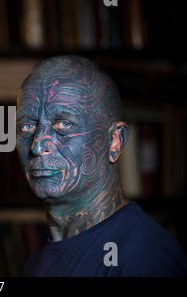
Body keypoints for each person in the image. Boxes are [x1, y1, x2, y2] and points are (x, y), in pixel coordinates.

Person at [16, 55, 187, 276]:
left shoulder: (144, 258)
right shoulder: (36, 263)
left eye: (63, 124)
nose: (37, 146)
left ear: (115, 141)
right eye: (28, 126)